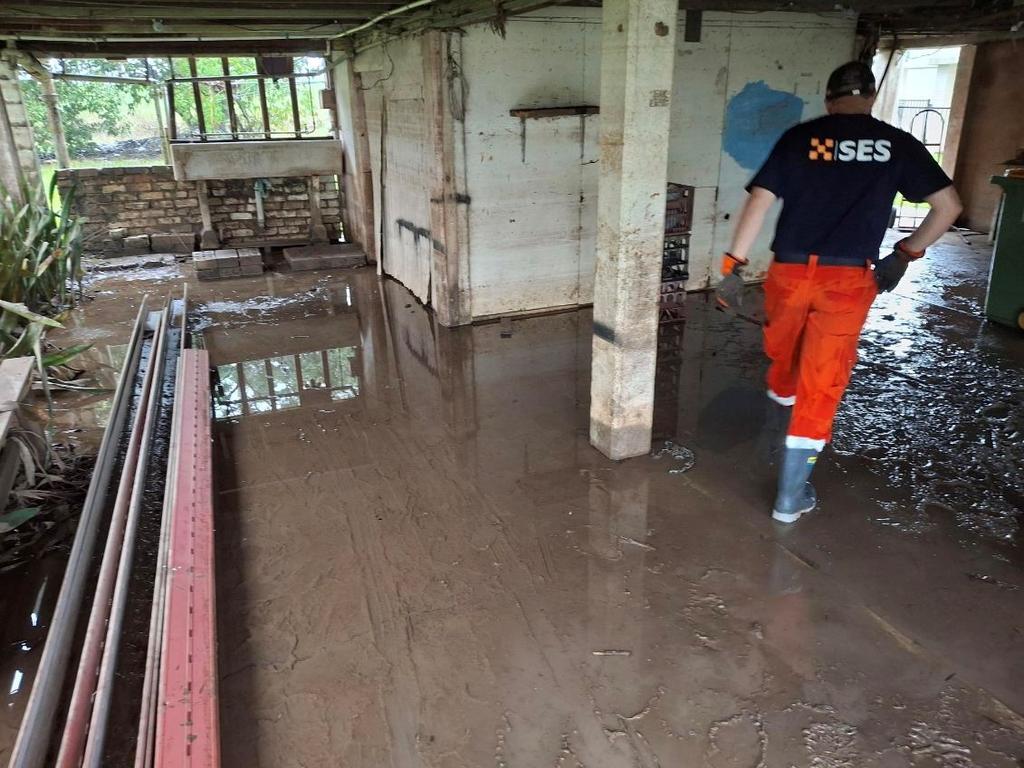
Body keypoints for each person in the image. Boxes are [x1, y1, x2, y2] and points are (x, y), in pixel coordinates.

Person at [716, 60, 962, 524]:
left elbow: (760, 200)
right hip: (848, 281)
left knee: (783, 350)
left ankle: (780, 412)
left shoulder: (801, 138)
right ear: (870, 98)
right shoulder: (897, 144)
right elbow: (949, 206)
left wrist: (734, 265)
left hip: (789, 272)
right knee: (823, 381)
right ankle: (790, 498)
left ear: (829, 100)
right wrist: (905, 253)